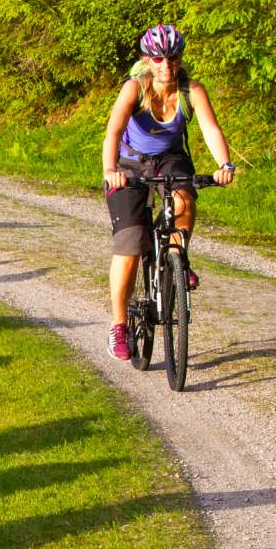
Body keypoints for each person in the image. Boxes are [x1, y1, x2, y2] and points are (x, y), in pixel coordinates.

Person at [101, 24, 235, 360]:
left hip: (170, 161)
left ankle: (177, 256)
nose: (166, 64)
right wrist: (110, 172)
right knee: (130, 245)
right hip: (129, 166)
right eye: (159, 57)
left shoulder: (192, 90)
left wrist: (225, 165)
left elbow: (210, 129)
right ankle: (119, 327)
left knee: (185, 197)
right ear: (148, 59)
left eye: (172, 57)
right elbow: (113, 131)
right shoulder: (135, 88)